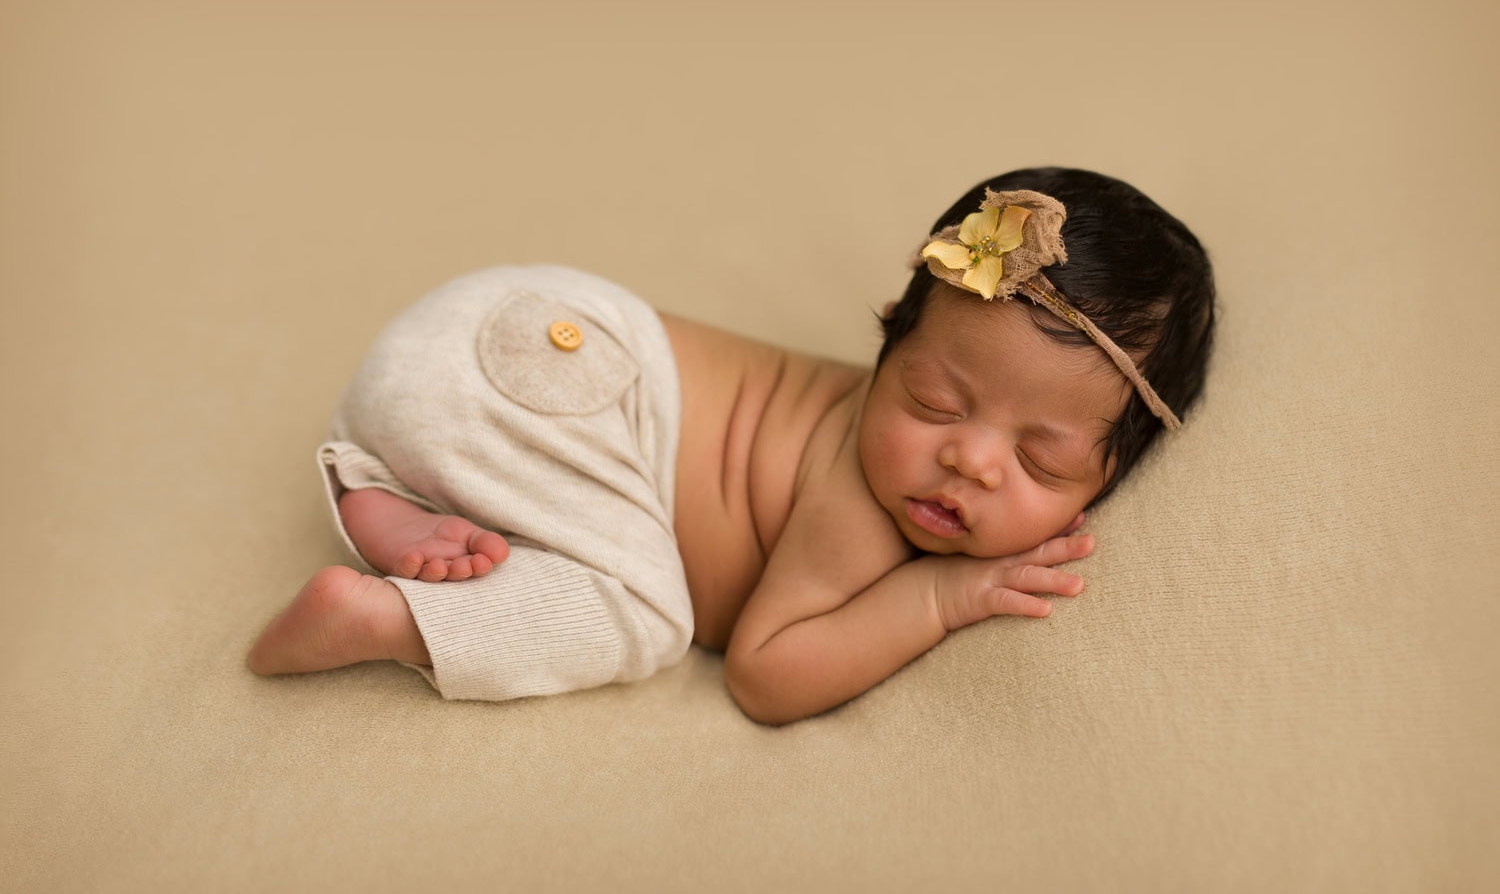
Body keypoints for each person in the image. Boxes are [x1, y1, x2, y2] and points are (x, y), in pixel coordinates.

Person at [248, 166, 1216, 725]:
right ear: (888, 336)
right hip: (565, 376)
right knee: (646, 612)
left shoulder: (911, 438)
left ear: (1112, 475)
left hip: (469, 343)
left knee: (556, 508)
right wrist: (937, 596)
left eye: (1040, 460)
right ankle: (391, 620)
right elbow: (762, 670)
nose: (969, 458)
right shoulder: (860, 507)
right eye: (931, 398)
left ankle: (387, 495)